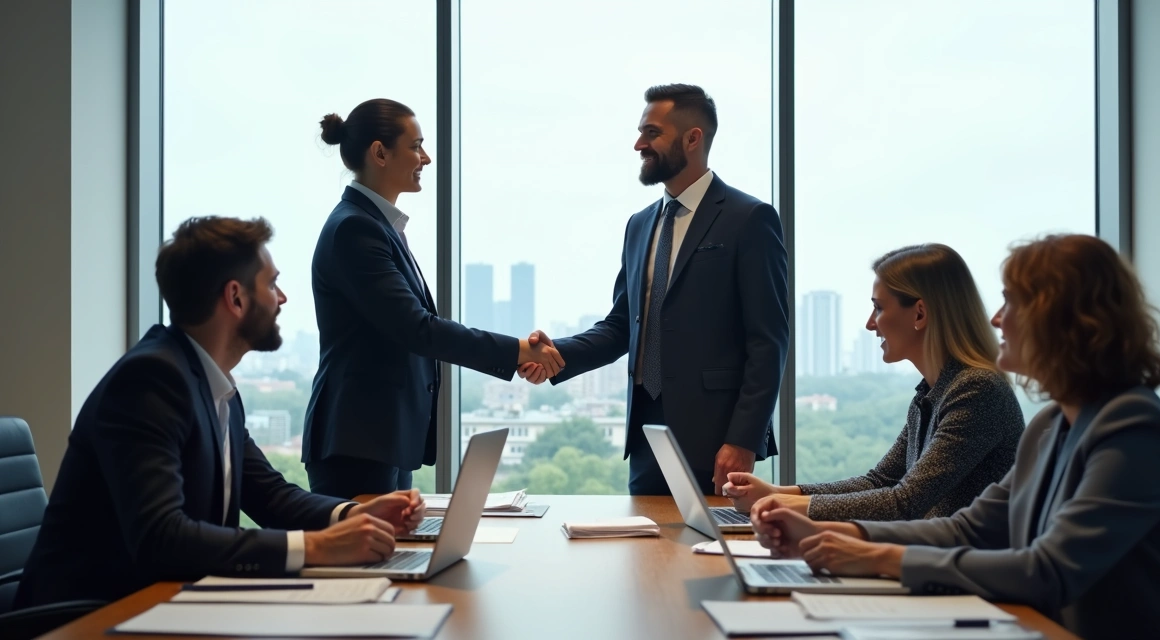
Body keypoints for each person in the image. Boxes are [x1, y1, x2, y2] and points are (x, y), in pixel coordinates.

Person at [751, 234, 1160, 639]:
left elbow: (1047, 571)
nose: (996, 319)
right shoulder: (1052, 425)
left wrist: (875, 556)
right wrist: (831, 533)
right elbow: (968, 528)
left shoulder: (1134, 428)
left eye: (1012, 302)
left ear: (1064, 321)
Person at [15, 217, 427, 608]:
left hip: (168, 603)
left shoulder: (212, 382)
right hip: (87, 617)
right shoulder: (149, 381)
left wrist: (353, 513)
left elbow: (270, 496)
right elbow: (162, 537)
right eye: (272, 284)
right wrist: (318, 546)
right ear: (235, 297)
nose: (282, 299)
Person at [520, 84, 788, 496]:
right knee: (646, 555)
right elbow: (621, 326)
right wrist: (558, 355)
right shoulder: (639, 224)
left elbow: (768, 342)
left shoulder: (749, 218)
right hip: (646, 434)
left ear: (692, 138)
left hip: (718, 440)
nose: (638, 144)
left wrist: (743, 439)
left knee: (712, 558)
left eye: (651, 133)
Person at [304, 99, 563, 498]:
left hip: (380, 438)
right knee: (372, 559)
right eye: (416, 146)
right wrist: (518, 350)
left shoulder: (377, 226)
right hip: (356, 441)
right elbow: (417, 328)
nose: (426, 157)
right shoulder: (355, 230)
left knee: (395, 556)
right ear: (380, 153)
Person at [722, 244, 1024, 521]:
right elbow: (880, 482)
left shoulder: (977, 390)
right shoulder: (932, 393)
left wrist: (781, 506)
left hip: (955, 572)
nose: (870, 323)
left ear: (919, 313)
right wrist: (777, 492)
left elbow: (904, 502)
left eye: (878, 308)